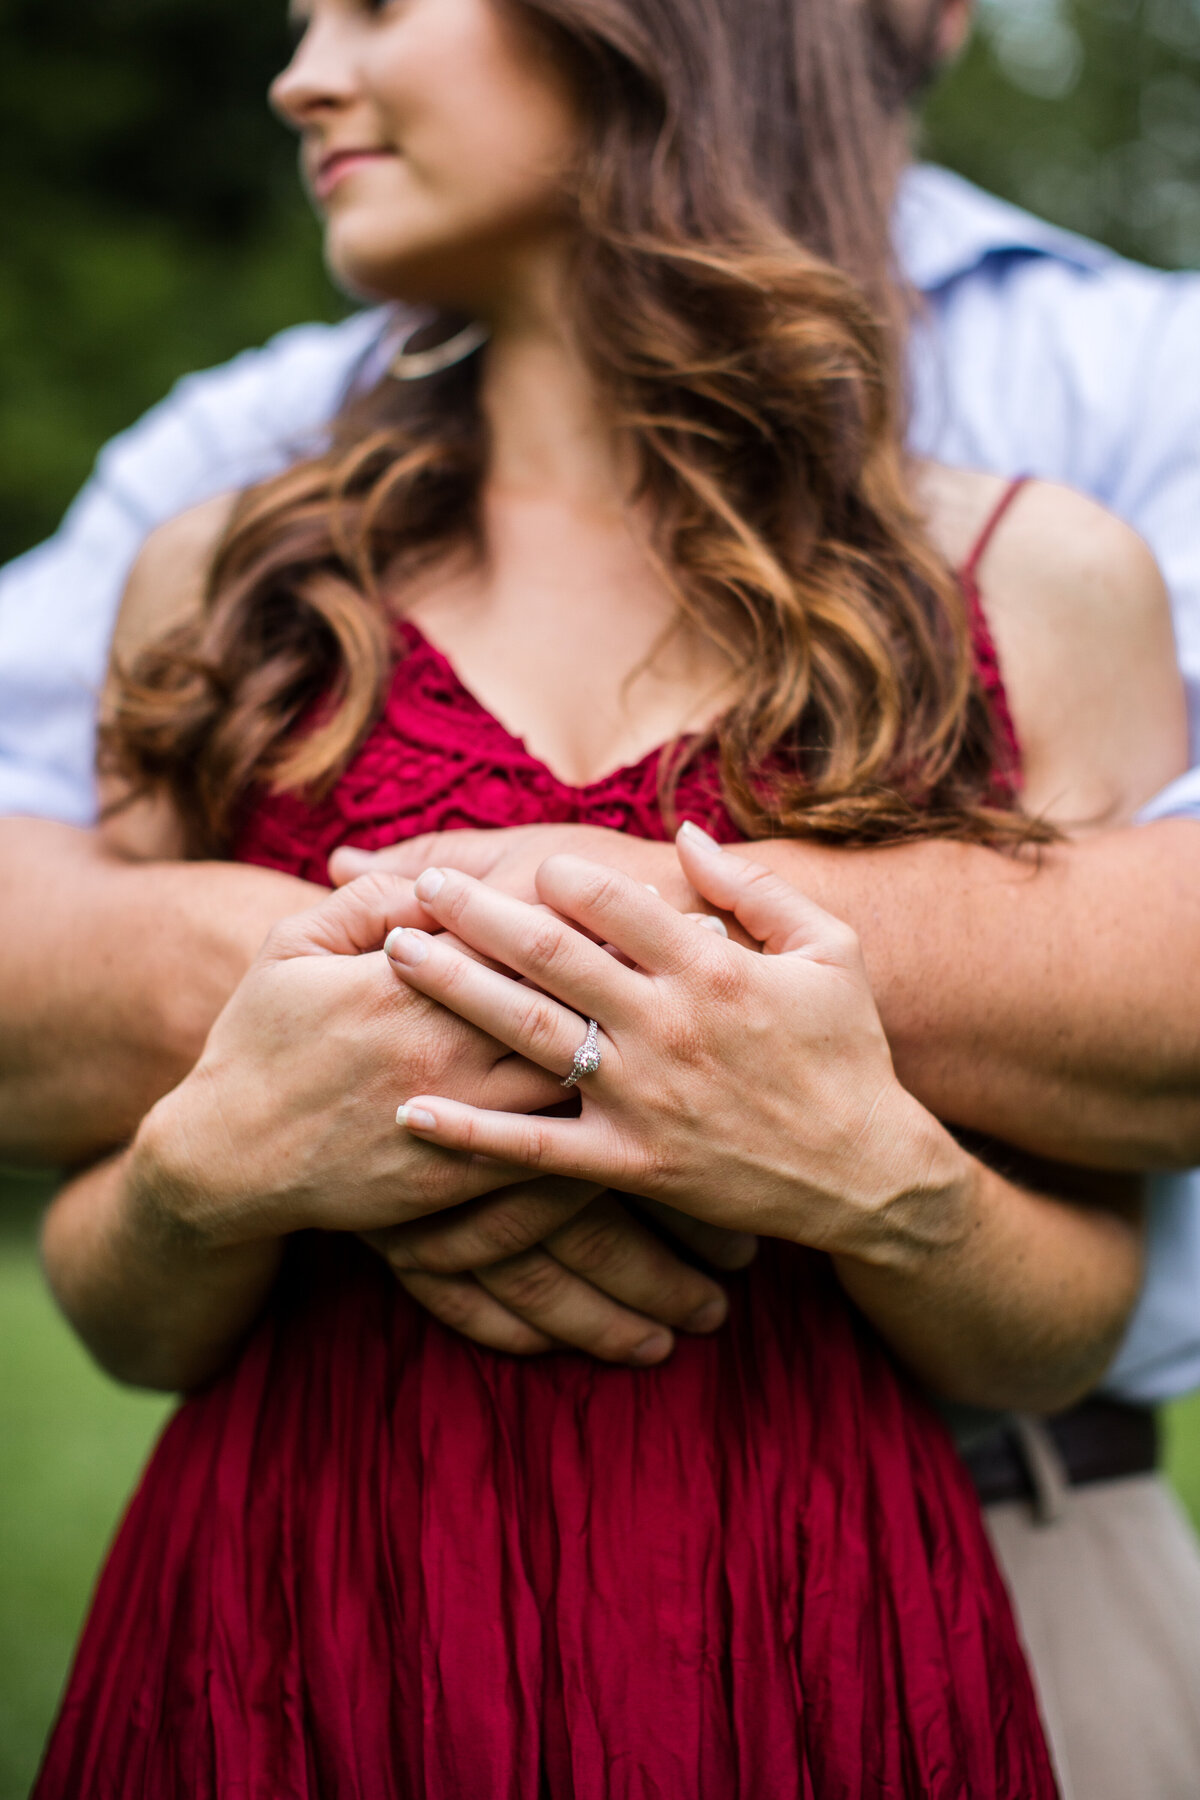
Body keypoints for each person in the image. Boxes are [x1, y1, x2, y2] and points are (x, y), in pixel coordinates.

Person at [1, 0, 1198, 1793]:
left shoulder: (1039, 572)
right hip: (297, 1621)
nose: (301, 69)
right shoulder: (224, 564)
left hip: (826, 1612)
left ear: (647, 32)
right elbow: (119, 1292)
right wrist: (204, 1169)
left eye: (381, 5)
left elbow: (1073, 1307)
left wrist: (888, 1184)